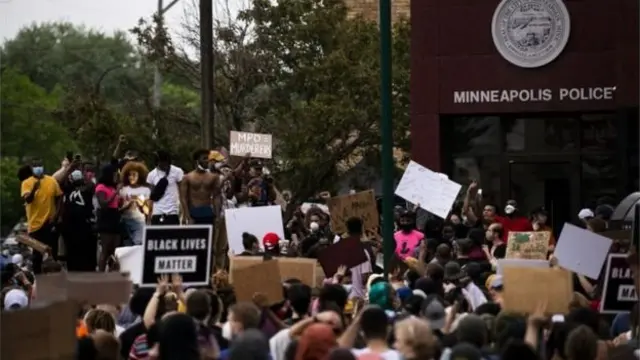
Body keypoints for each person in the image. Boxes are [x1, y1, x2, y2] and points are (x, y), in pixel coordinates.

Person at [20, 157, 63, 273]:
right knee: (37, 255)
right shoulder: (27, 183)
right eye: (35, 166)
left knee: (52, 252)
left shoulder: (51, 181)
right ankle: (38, 279)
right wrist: (34, 189)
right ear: (32, 168)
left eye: (40, 165)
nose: (38, 168)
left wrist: (57, 215)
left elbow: (59, 197)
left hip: (50, 222)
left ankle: (54, 279)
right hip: (35, 225)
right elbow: (28, 200)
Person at [60, 169, 97, 271]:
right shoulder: (88, 190)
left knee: (73, 256)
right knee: (86, 256)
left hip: (73, 230)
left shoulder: (67, 192)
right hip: (83, 229)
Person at [181, 149, 220, 225]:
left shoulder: (213, 177)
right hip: (194, 213)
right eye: (204, 158)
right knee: (195, 237)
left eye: (207, 158)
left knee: (209, 236)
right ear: (197, 161)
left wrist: (217, 216)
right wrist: (188, 217)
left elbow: (216, 196)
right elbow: (183, 198)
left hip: (208, 212)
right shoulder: (187, 177)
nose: (207, 161)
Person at [95, 164, 122, 272]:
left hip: (115, 216)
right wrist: (116, 192)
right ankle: (101, 273)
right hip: (106, 217)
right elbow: (104, 204)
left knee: (115, 249)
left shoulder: (112, 187)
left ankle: (112, 271)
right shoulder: (100, 187)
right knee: (105, 249)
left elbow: (116, 203)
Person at [147, 151, 184, 225]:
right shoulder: (151, 175)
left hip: (173, 212)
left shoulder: (177, 171)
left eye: (166, 162)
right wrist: (149, 216)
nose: (164, 164)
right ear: (157, 162)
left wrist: (183, 212)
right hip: (157, 212)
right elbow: (151, 197)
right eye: (161, 162)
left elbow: (182, 192)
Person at [120, 161, 152, 246]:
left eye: (134, 175)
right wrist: (126, 206)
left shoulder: (145, 190)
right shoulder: (123, 189)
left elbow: (148, 211)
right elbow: (118, 209)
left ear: (140, 176)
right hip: (124, 222)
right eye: (129, 175)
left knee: (138, 245)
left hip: (139, 222)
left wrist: (140, 202)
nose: (131, 177)